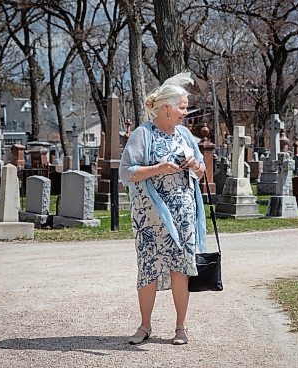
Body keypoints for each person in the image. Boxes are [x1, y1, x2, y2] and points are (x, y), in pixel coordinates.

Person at [119, 72, 207, 346]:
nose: (185, 112)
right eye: (182, 107)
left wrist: (195, 167)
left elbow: (202, 171)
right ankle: (145, 326)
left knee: (181, 267)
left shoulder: (185, 135)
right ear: (166, 107)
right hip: (150, 217)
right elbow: (126, 172)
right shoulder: (142, 133)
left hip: (183, 213)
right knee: (148, 268)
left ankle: (181, 327)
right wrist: (158, 168)